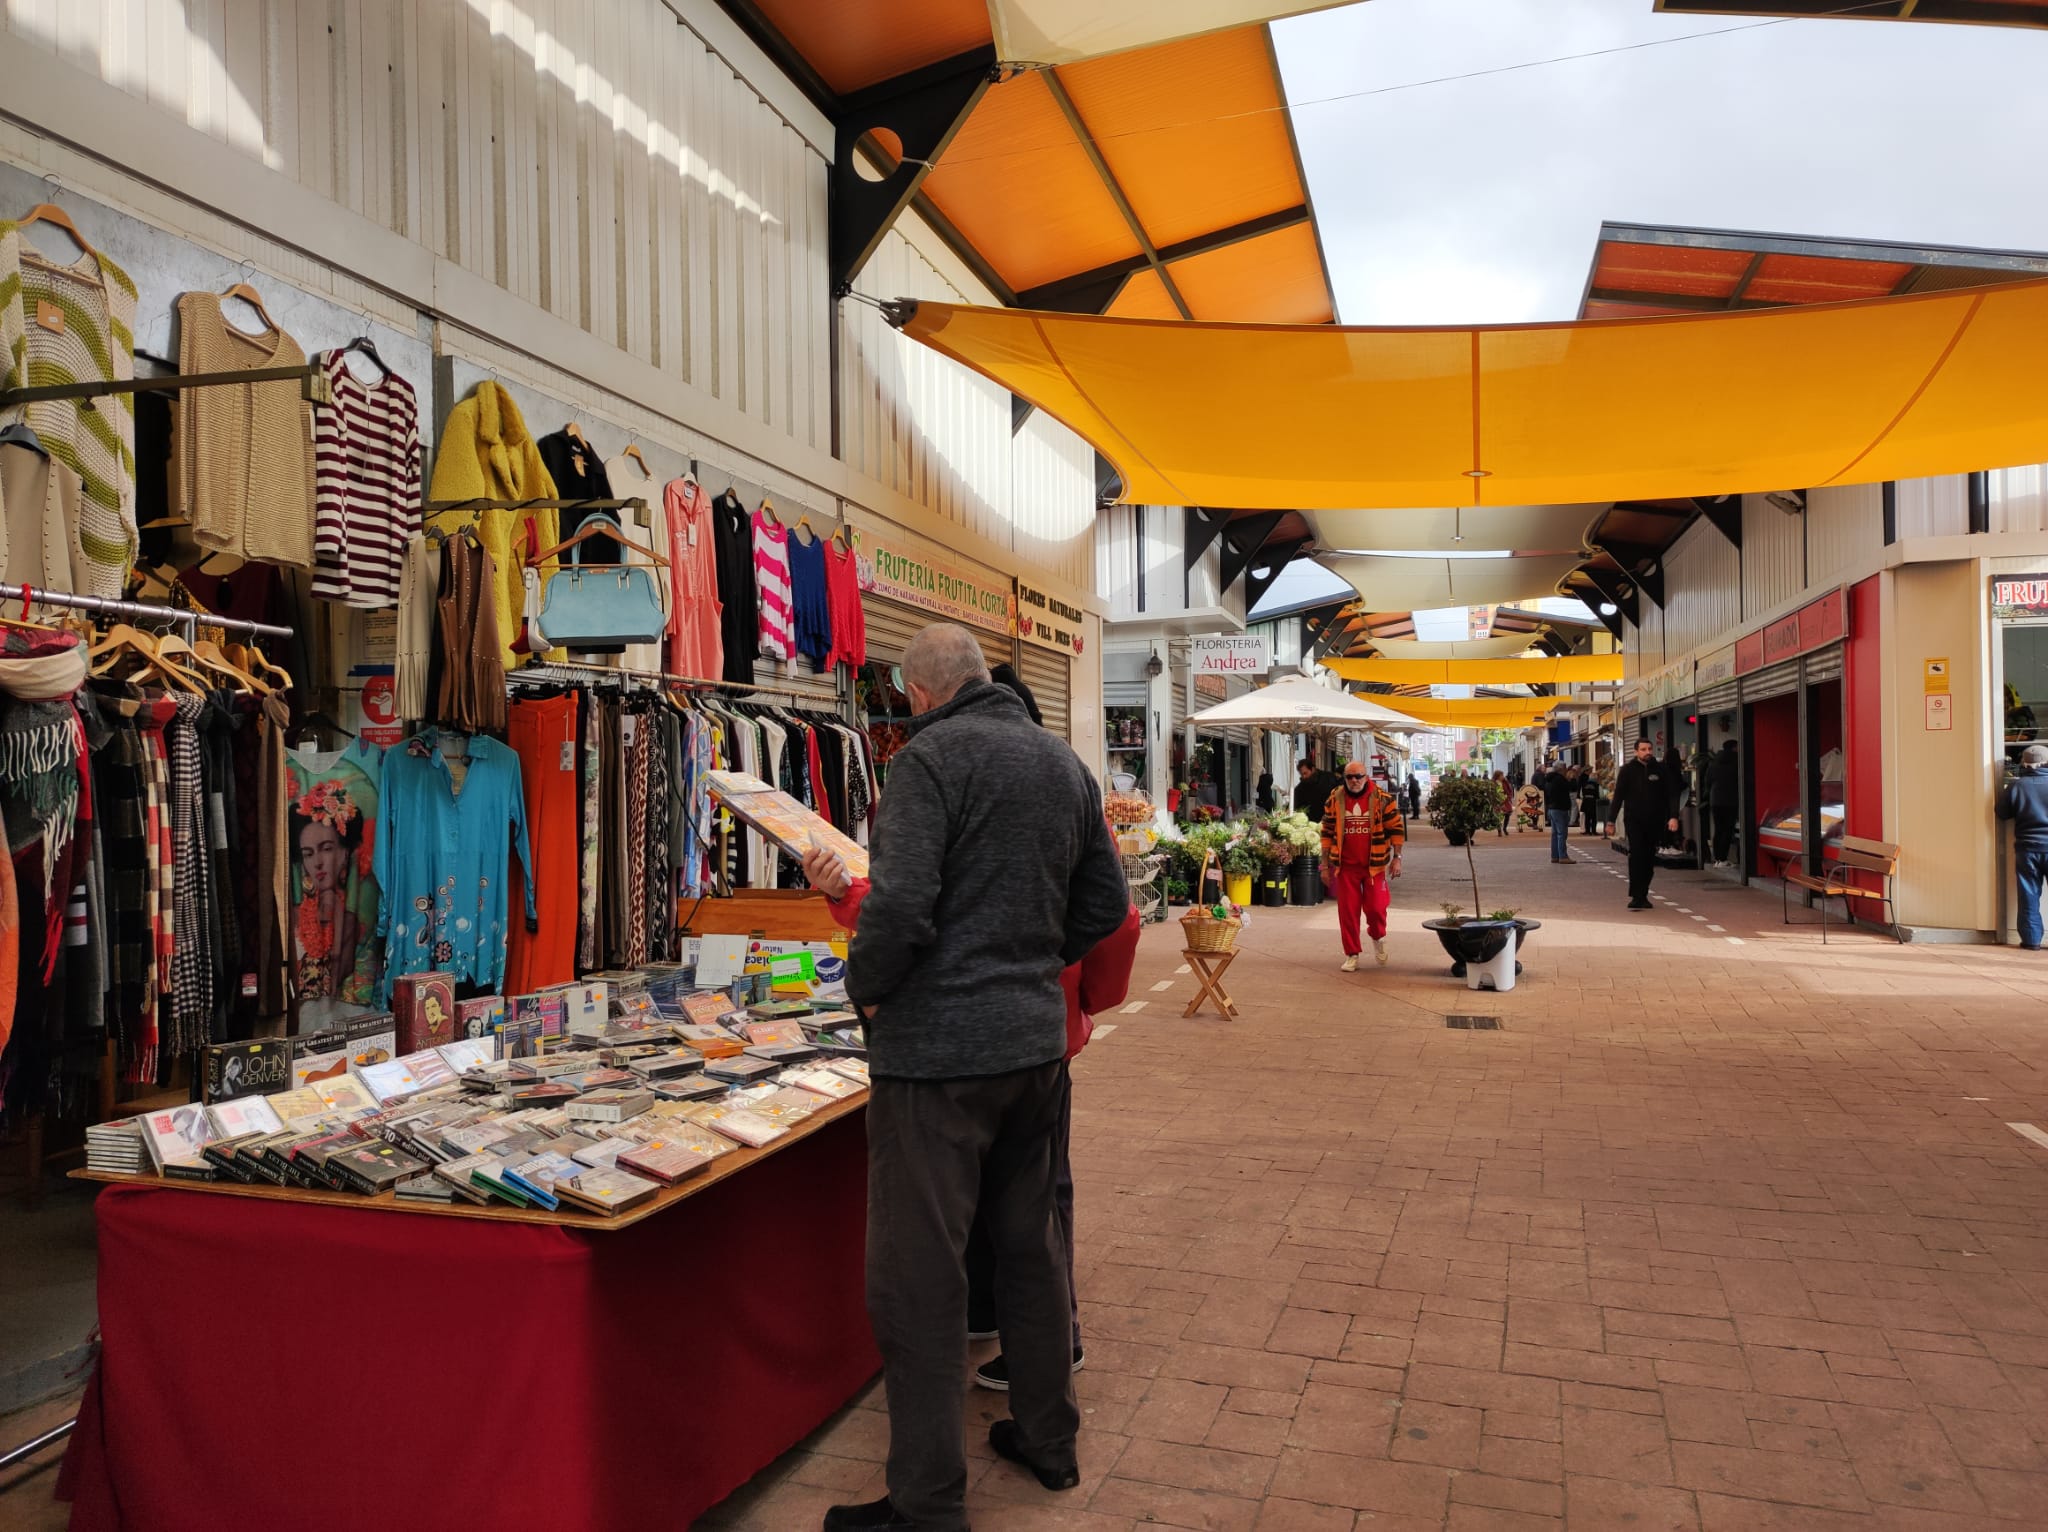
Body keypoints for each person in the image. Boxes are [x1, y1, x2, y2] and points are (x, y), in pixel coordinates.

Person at [824, 623, 1129, 1532]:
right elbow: (1106, 905)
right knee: (1031, 1251)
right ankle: (1048, 1440)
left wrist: (866, 989)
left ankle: (926, 1504)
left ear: (919, 694)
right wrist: (1032, 965)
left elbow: (903, 906)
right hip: (1034, 1049)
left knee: (919, 1278)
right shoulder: (1061, 763)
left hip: (937, 1061)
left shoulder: (928, 763)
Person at [801, 844, 1142, 1392]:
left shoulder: (960, 786)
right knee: (1013, 1186)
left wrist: (1081, 997)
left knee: (1029, 1191)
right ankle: (1006, 1320)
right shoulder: (1054, 789)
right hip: (1029, 1029)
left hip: (980, 1035)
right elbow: (1115, 916)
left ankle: (1052, 1343)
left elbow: (920, 910)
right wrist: (1082, 999)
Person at [1320, 759, 1405, 971]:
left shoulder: (1382, 799)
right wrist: (1324, 866)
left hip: (1374, 865)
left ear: (1366, 777)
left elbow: (1396, 829)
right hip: (1346, 866)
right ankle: (1352, 953)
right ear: (1344, 778)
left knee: (1376, 909)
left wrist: (1397, 858)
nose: (1355, 780)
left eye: (1359, 776)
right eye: (1350, 776)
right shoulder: (1335, 799)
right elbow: (1327, 832)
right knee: (1347, 912)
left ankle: (1378, 936)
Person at [1607, 737, 1680, 910]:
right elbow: (1618, 796)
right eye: (1643, 749)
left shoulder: (1661, 770)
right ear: (1636, 752)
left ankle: (1644, 892)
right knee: (1637, 855)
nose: (1647, 752)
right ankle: (1636, 895)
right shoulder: (1627, 770)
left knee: (1648, 858)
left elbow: (1672, 795)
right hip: (1634, 821)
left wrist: (1673, 816)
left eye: (1649, 749)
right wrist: (1610, 820)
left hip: (1655, 821)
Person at [1997, 743, 2048, 950]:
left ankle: (2031, 940)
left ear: (2024, 764)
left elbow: (2001, 813)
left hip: (2027, 849)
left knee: (2028, 894)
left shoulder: (2017, 786)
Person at [1708, 739, 1740, 866]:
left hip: (1715, 800)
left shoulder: (1714, 762)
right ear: (1734, 748)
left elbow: (1708, 781)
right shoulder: (1736, 761)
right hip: (1730, 800)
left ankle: (1717, 859)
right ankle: (1723, 858)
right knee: (1727, 830)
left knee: (1719, 829)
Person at [1542, 759, 1575, 863]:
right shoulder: (1560, 780)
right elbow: (1569, 789)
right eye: (1565, 768)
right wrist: (1572, 780)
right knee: (1562, 833)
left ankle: (1555, 855)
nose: (1566, 770)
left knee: (1555, 834)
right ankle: (1563, 856)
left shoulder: (1549, 780)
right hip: (1560, 808)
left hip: (1552, 808)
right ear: (1561, 769)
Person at [1579, 763, 1601, 836]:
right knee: (1594, 817)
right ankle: (1594, 831)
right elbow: (1599, 794)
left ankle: (1587, 831)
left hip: (1586, 801)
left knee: (1587, 817)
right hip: (1593, 802)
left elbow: (1581, 794)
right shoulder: (1596, 785)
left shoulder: (1584, 784)